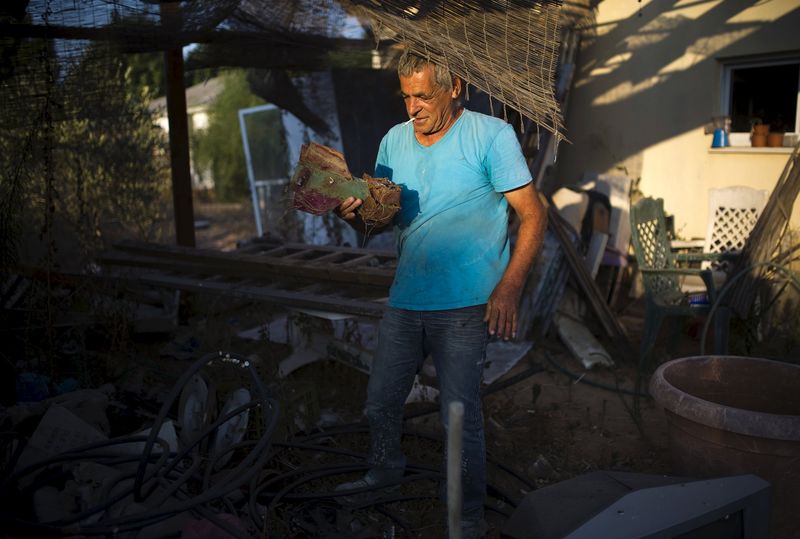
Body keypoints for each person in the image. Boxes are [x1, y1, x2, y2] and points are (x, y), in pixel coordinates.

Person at [334, 50, 546, 538]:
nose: (412, 108)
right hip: (407, 298)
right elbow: (383, 219)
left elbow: (534, 216)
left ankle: (465, 516)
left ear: (455, 89)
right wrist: (350, 212)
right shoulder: (393, 140)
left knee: (459, 416)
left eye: (422, 96)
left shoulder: (490, 136)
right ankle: (385, 471)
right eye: (405, 96)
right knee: (381, 401)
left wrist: (509, 288)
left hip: (466, 306)